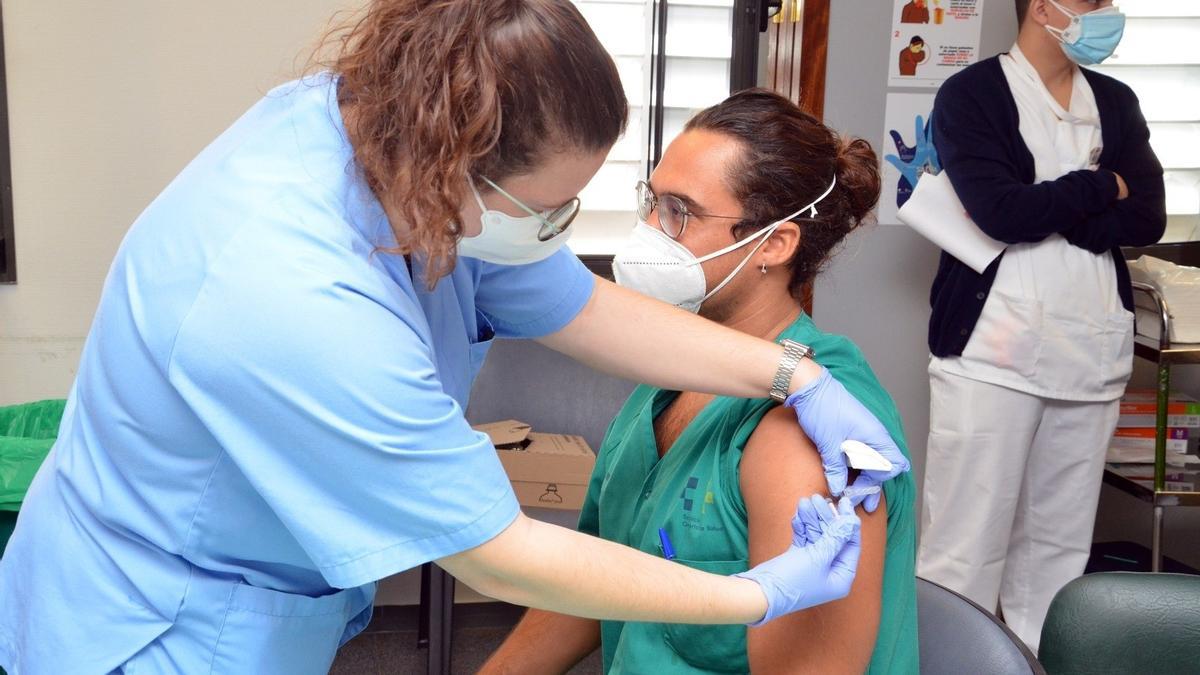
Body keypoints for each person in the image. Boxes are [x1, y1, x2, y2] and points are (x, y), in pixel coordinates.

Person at [0, 2, 911, 673]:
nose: (575, 230)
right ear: (457, 170)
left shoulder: (397, 145)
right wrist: (753, 592)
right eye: (553, 208)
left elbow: (577, 307)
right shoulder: (287, 288)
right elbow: (490, 549)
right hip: (156, 626)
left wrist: (793, 378)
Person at [480, 90, 919, 674]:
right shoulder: (668, 379)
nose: (649, 231)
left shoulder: (808, 440)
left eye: (679, 213)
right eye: (652, 202)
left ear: (775, 243)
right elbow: (598, 579)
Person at [917, 0, 1165, 652]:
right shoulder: (972, 94)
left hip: (1091, 353)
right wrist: (1096, 186)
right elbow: (1000, 211)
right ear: (1039, 8)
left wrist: (1055, 204)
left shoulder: (1114, 100)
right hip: (992, 353)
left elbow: (1147, 218)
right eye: (1091, 2)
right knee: (963, 551)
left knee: (1057, 557)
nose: (1105, 12)